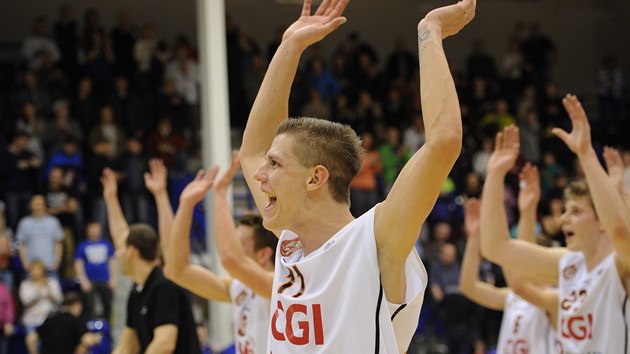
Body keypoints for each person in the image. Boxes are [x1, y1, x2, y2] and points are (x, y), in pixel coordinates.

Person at [238, 0, 475, 352]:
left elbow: (444, 143)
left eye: (275, 165)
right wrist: (290, 46)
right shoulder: (290, 238)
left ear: (315, 178)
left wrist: (431, 32)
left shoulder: (374, 241)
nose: (259, 174)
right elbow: (252, 151)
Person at [479, 95, 630, 353]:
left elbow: (619, 230)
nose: (563, 220)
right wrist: (495, 175)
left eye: (575, 211)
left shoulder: (620, 264)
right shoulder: (569, 265)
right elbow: (496, 247)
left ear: (601, 221)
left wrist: (586, 154)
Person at [164, 153, 276, 354]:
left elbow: (231, 258)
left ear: (264, 255)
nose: (229, 245)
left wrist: (220, 193)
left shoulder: (280, 285)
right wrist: (186, 206)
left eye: (238, 243)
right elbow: (177, 270)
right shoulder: (241, 288)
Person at [460, 167, 560, 354]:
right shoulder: (514, 296)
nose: (519, 260)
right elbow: (469, 287)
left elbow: (521, 274)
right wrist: (474, 238)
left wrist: (528, 212)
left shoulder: (554, 298)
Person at [101, 168, 200, 354]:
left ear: (132, 252)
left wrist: (160, 195)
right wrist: (111, 198)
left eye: (120, 250)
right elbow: (127, 347)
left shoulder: (164, 286)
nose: (116, 255)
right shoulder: (137, 291)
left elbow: (164, 345)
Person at [26, 292, 102, 354]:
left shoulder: (50, 319)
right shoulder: (75, 321)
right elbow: (87, 340)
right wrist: (95, 338)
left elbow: (30, 339)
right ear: (77, 305)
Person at [74, 221, 117, 320]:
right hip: (90, 280)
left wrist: (113, 278)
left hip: (105, 280)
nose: (94, 233)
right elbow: (78, 263)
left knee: (108, 305)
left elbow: (112, 261)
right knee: (89, 306)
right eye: (92, 231)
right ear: (88, 232)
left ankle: (108, 328)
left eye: (96, 231)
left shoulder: (107, 244)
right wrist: (83, 280)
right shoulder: (82, 246)